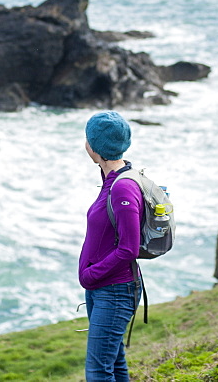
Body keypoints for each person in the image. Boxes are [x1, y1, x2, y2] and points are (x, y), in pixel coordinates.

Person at [78, 111, 142, 381]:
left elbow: (130, 247)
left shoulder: (122, 188)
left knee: (98, 373)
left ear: (94, 148)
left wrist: (91, 274)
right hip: (104, 287)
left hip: (114, 290)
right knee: (114, 364)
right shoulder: (112, 180)